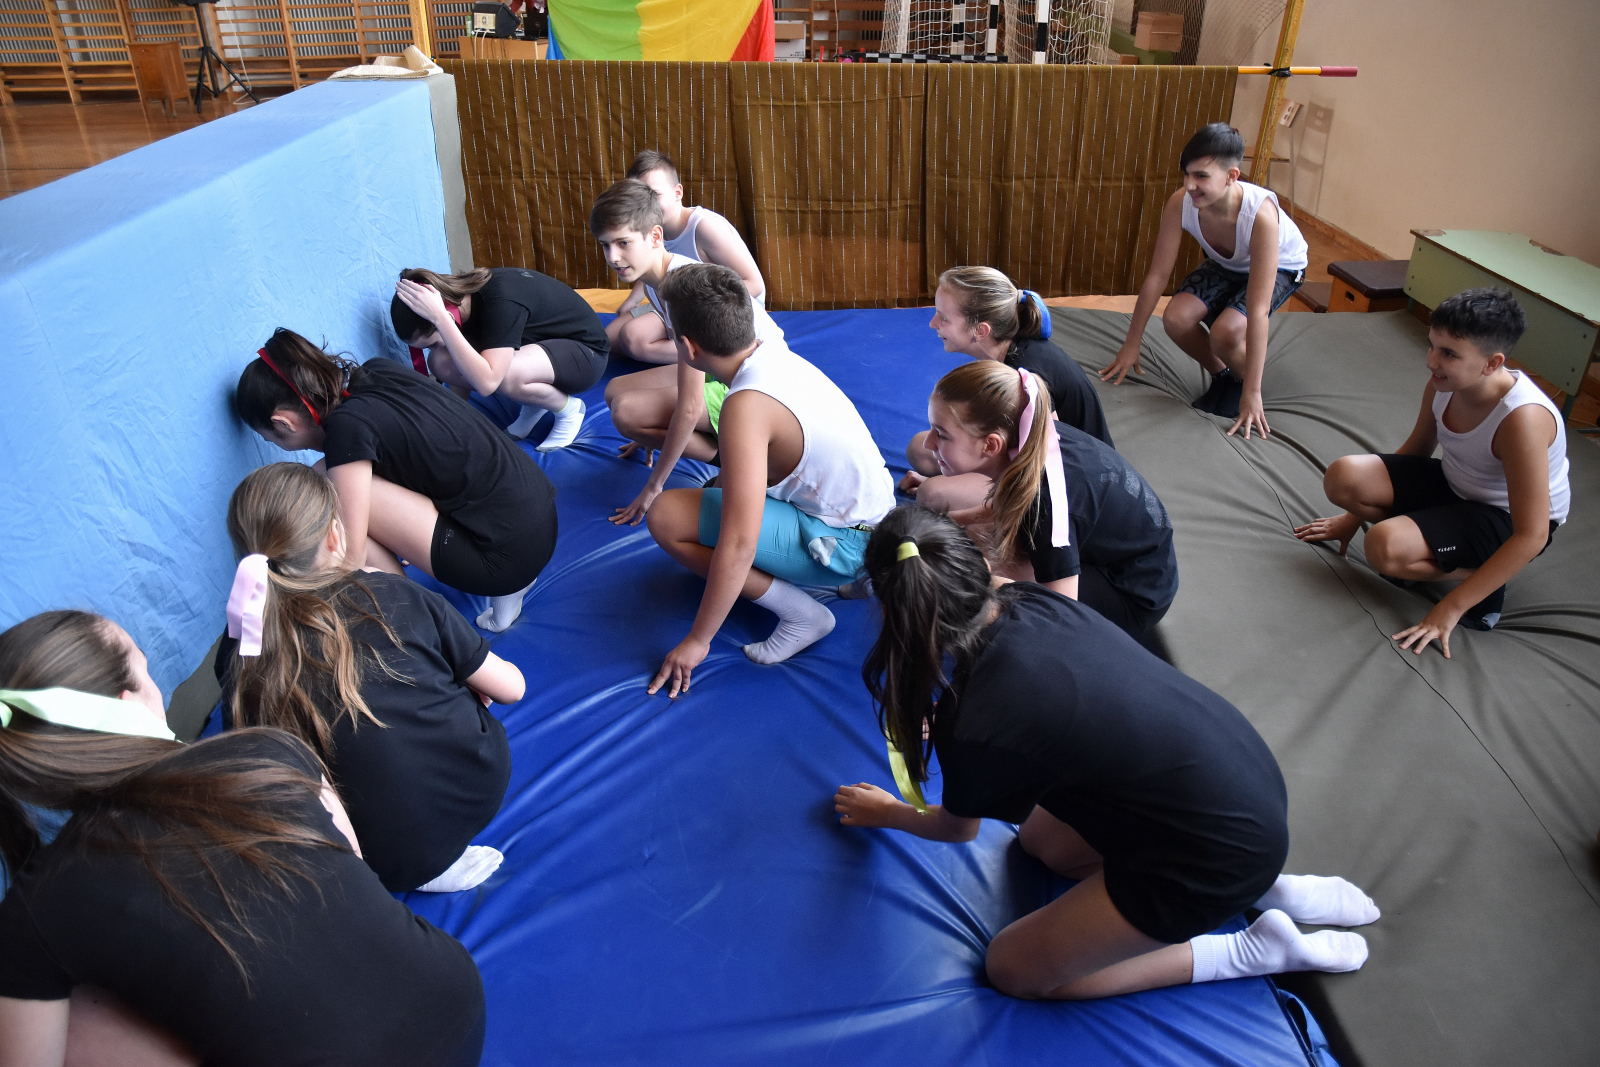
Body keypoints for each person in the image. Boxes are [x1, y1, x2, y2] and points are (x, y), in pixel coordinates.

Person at [833, 508, 1379, 1001]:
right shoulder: (1031, 598)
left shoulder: (974, 721)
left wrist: (890, 812)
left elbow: (958, 830)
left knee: (1013, 971)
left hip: (1217, 851)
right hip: (1240, 779)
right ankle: (1259, 884)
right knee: (1041, 846)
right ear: (974, 565)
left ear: (900, 620)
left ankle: (1249, 947)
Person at [0, 610, 486, 1067]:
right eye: (145, 669)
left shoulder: (38, 907)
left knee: (76, 1007)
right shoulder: (267, 749)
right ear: (129, 706)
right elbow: (354, 866)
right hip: (456, 1006)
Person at [215, 462, 525, 893]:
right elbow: (512, 689)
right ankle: (433, 858)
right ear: (335, 535)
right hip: (473, 788)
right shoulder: (392, 594)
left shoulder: (238, 651)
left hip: (361, 854)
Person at [642, 263, 895, 695]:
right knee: (714, 489)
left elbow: (739, 543)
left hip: (849, 545)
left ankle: (803, 615)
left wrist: (698, 640)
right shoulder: (775, 356)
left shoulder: (745, 405)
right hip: (877, 522)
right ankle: (859, 579)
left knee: (666, 515)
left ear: (686, 346)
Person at [1294, 288, 1570, 654]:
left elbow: (1532, 535)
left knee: (1383, 548)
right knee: (1343, 477)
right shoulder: (1445, 383)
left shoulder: (1522, 420)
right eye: (1432, 346)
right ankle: (1433, 545)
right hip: (1455, 485)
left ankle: (1485, 577)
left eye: (1449, 354)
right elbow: (1417, 452)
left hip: (1504, 518)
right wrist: (1350, 519)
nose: (1431, 361)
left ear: (1491, 363)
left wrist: (1449, 608)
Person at [236, 327, 558, 632]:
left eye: (270, 438)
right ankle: (509, 590)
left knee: (330, 489)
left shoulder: (347, 433)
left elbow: (351, 558)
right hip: (541, 522)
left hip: (504, 561)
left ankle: (412, 618)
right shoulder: (377, 372)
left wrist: (302, 597)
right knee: (342, 477)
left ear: (285, 423)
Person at [897, 360, 1177, 642]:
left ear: (991, 445)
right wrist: (949, 521)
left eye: (941, 435)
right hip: (1116, 550)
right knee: (966, 537)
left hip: (1130, 593)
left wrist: (986, 583)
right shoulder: (1028, 431)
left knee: (968, 570)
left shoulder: (1044, 504)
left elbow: (1060, 615)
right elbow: (1009, 501)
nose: (929, 443)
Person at [592, 179, 787, 524]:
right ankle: (722, 441)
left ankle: (744, 459)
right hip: (724, 368)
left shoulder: (682, 291)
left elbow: (690, 406)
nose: (613, 257)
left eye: (623, 243)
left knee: (627, 412)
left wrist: (653, 487)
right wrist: (651, 430)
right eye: (605, 245)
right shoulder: (656, 280)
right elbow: (692, 362)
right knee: (615, 391)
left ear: (655, 236)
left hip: (760, 389)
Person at [1099, 123, 1307, 440]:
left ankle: (1243, 381)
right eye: (1186, 174)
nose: (1189, 185)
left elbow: (1258, 310)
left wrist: (1252, 392)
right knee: (1176, 318)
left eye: (1201, 176)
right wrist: (1132, 344)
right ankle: (1224, 375)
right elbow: (1157, 275)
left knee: (1225, 333)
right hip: (1228, 263)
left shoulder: (1260, 216)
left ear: (1232, 176)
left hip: (1282, 266)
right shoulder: (1181, 202)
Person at [907, 266, 1112, 490]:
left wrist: (950, 486)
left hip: (1074, 480)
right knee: (920, 450)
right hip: (1024, 452)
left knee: (932, 493)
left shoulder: (1025, 378)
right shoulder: (1006, 346)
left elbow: (1049, 462)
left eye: (944, 318)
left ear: (980, 331)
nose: (932, 323)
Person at [391, 265, 609, 452]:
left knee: (504, 375)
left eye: (431, 343)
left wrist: (442, 320)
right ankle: (534, 404)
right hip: (541, 349)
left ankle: (568, 409)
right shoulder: (461, 305)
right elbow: (459, 370)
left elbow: (488, 383)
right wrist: (448, 424)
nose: (432, 349)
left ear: (447, 316)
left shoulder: (500, 300)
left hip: (585, 356)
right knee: (440, 361)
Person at [606, 149, 766, 365]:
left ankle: (715, 360)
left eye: (654, 195)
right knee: (609, 339)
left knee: (633, 340)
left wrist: (692, 308)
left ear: (677, 192)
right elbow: (653, 265)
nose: (646, 207)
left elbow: (754, 284)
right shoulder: (651, 228)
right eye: (639, 199)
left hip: (721, 309)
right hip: (677, 301)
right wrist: (632, 300)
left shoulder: (705, 227)